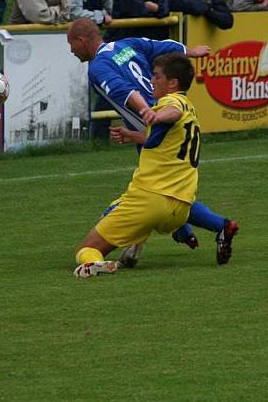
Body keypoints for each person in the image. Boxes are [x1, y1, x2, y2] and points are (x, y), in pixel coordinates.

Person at [67, 18, 239, 265]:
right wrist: (191, 52)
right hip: (163, 130)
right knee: (171, 192)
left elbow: (124, 90)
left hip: (157, 123)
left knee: (144, 197)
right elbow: (163, 45)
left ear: (82, 41)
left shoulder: (98, 67)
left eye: (71, 44)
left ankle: (155, 236)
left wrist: (147, 111)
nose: (71, 50)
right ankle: (183, 231)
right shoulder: (127, 44)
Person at [73, 53, 202, 278]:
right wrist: (133, 136)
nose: (151, 80)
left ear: (172, 83)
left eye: (156, 76)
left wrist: (156, 115)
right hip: (182, 207)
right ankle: (134, 244)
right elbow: (163, 140)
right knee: (119, 207)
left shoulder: (170, 103)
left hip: (150, 200)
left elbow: (173, 112)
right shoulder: (191, 108)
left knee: (87, 249)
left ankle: (94, 264)